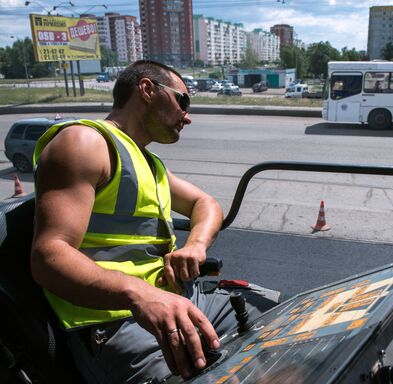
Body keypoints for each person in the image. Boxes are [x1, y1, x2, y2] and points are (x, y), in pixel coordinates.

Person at [31, 60, 280, 384]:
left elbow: (206, 203)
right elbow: (48, 256)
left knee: (297, 324)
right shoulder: (85, 142)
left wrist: (196, 246)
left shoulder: (150, 163)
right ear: (147, 89)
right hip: (120, 320)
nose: (187, 116)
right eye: (183, 101)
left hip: (182, 299)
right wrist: (139, 293)